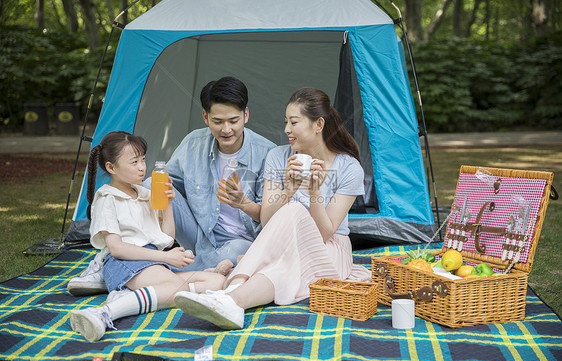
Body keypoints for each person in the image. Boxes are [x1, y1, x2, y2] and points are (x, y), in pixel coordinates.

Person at [173, 87, 371, 330]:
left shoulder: (349, 169)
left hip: (328, 249)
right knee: (280, 267)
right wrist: (288, 189)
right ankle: (232, 301)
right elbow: (267, 222)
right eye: (286, 121)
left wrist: (313, 191)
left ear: (318, 124)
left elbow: (326, 233)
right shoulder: (278, 157)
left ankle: (229, 294)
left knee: (295, 213)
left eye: (294, 122)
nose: (286, 129)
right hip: (285, 243)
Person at [67, 76, 275, 295]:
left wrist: (244, 203)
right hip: (199, 234)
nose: (226, 129)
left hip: (239, 241)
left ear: (246, 115)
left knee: (241, 250)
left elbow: (272, 220)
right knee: (150, 185)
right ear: (205, 117)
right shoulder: (194, 143)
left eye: (233, 121)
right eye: (218, 121)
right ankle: (141, 263)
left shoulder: (266, 153)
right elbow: (169, 184)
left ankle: (137, 271)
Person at [69, 131, 225, 342]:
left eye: (142, 159)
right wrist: (167, 258)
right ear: (111, 168)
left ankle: (130, 296)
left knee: (217, 281)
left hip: (152, 261)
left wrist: (168, 205)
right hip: (125, 263)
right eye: (134, 162)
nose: (142, 167)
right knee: (176, 287)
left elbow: (167, 239)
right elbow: (117, 248)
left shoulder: (144, 194)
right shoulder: (108, 199)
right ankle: (105, 312)